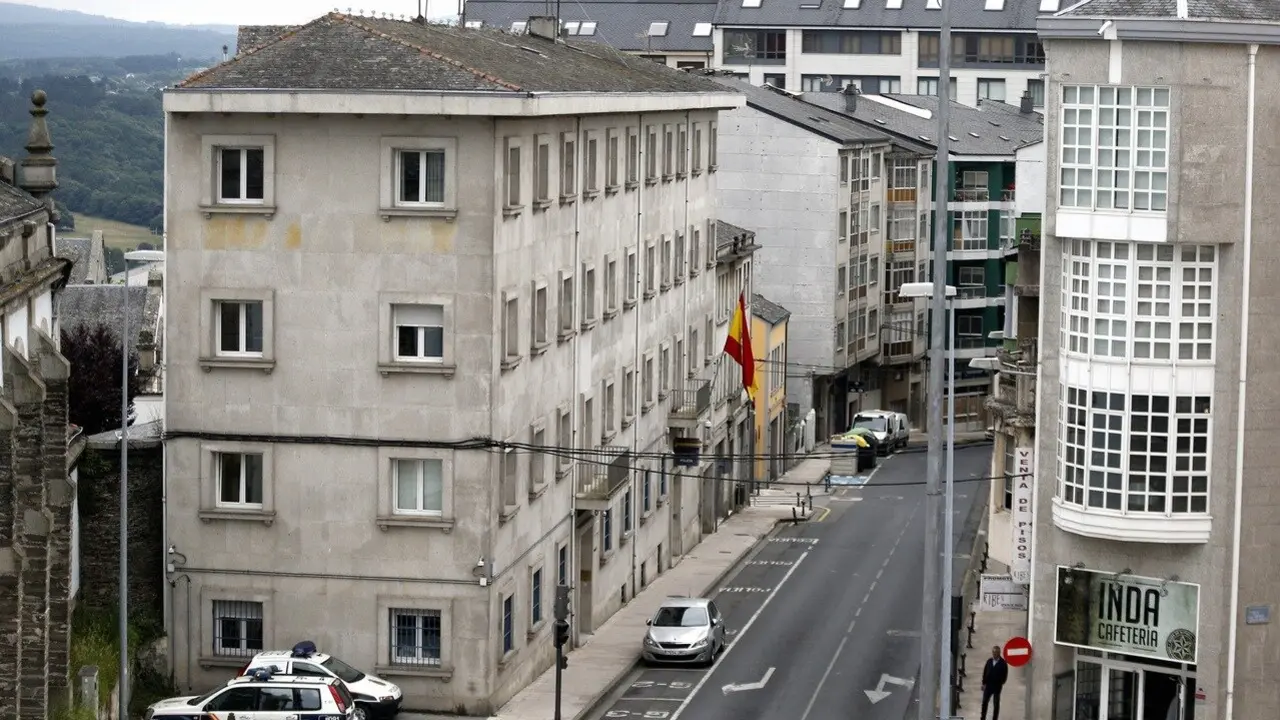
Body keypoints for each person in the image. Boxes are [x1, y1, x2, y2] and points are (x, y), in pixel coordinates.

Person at [981, 644, 1009, 720]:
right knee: (984, 702)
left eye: (996, 652)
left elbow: (1005, 675)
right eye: (993, 652)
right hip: (988, 685)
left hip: (997, 686)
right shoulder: (989, 661)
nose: (994, 654)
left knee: (996, 704)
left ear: (999, 653)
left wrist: (1001, 682)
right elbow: (985, 672)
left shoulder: (1003, 663)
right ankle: (982, 718)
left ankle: (995, 718)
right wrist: (983, 683)